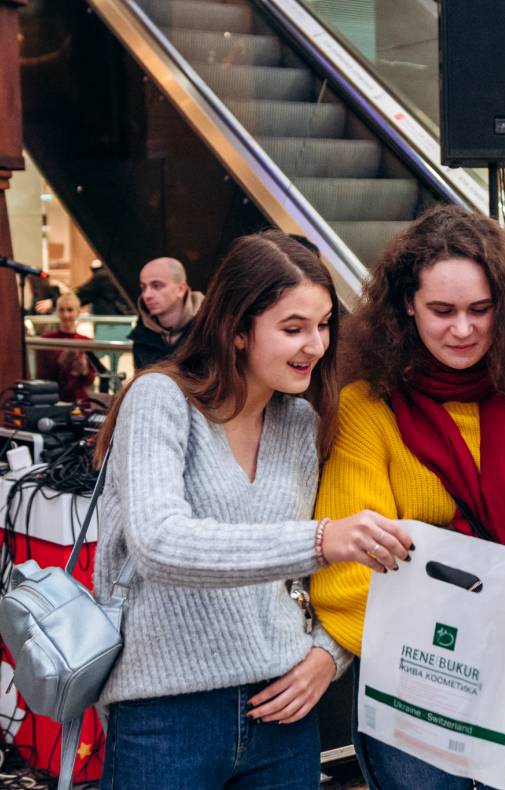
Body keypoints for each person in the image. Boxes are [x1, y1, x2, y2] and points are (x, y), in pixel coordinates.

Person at [91, 230, 414, 789]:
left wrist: (328, 657)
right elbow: (159, 544)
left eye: (323, 325)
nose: (315, 345)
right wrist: (319, 540)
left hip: (282, 715)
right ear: (237, 330)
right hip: (165, 715)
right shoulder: (160, 400)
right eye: (293, 328)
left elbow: (329, 575)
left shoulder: (302, 424)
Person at [310, 205, 505, 790]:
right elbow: (345, 579)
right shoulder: (367, 409)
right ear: (407, 304)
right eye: (442, 311)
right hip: (418, 673)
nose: (463, 330)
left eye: (481, 309)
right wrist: (476, 665)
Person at [128, 256, 205, 369]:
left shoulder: (209, 329)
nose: (147, 295)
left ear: (181, 289)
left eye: (156, 286)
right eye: (143, 287)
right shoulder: (142, 335)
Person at [34, 292, 97, 402]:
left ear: (78, 313)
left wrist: (84, 371)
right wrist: (60, 364)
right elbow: (41, 376)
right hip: (54, 397)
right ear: (57, 313)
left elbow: (90, 380)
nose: (65, 315)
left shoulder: (86, 341)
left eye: (70, 310)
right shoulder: (46, 340)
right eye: (61, 310)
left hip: (79, 399)